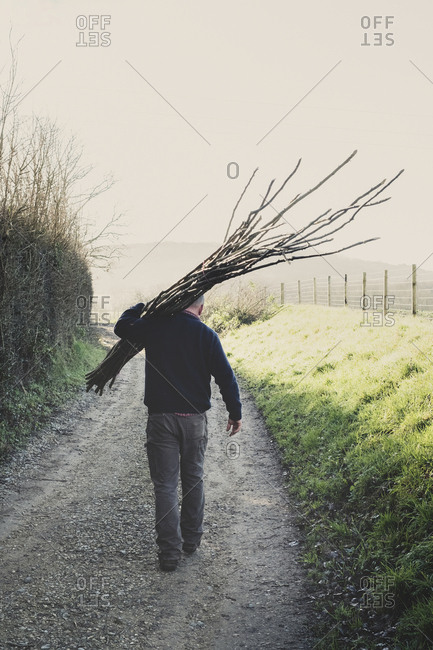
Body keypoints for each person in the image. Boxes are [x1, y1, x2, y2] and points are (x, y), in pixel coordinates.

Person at [114, 294, 242, 572]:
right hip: (194, 421)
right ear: (201, 308)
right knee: (193, 479)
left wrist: (143, 306)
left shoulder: (156, 325)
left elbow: (122, 325)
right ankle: (192, 541)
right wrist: (235, 412)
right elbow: (226, 376)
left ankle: (169, 555)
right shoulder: (207, 335)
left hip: (161, 420)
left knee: (166, 485)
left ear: (174, 303)